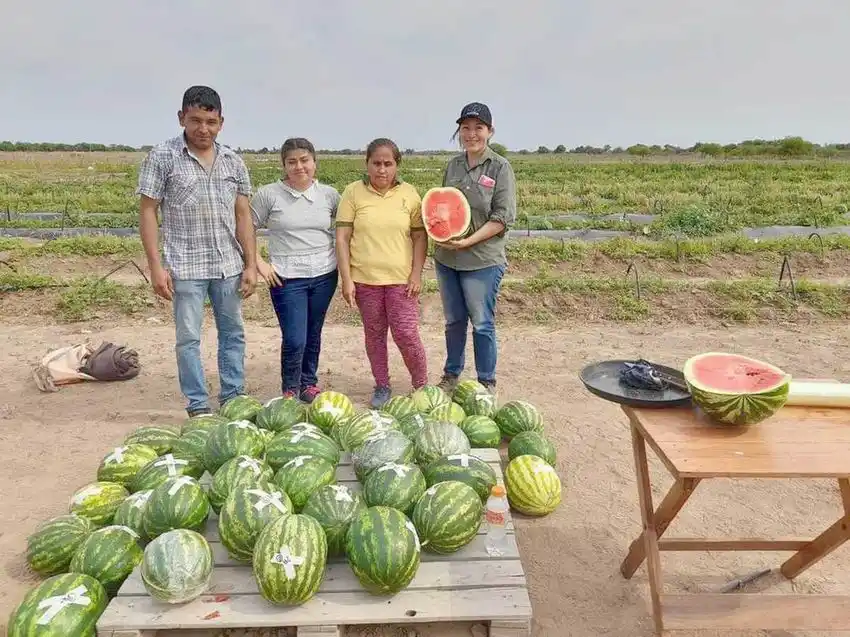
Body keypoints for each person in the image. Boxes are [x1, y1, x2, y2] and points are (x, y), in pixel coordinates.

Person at [136, 85, 257, 417]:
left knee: (233, 333)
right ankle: (198, 403)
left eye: (211, 122)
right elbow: (148, 212)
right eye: (195, 121)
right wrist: (155, 266)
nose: (203, 129)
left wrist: (250, 264)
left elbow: (243, 215)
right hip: (185, 266)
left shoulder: (233, 161)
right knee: (188, 338)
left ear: (221, 123)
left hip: (227, 265)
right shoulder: (163, 157)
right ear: (181, 118)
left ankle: (233, 396)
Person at [335, 138, 429, 408]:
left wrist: (416, 274)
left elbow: (419, 237)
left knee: (406, 334)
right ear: (367, 164)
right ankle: (382, 385)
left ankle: (421, 384)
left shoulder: (409, 194)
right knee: (374, 335)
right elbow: (342, 238)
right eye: (376, 163)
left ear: (397, 165)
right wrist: (346, 279)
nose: (382, 169)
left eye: (388, 163)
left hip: (401, 281)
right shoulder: (353, 192)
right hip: (366, 281)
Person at [432, 102, 517, 396]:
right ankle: (451, 375)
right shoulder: (453, 166)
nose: (471, 134)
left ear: (490, 131)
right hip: (447, 258)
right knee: (454, 321)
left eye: (478, 128)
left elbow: (502, 218)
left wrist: (468, 241)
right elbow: (443, 206)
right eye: (465, 128)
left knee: (482, 323)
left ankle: (486, 382)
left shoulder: (500, 167)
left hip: (482, 260)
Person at [251, 137, 340, 403]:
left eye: (304, 160)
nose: (299, 167)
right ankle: (290, 388)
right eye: (292, 162)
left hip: (324, 275)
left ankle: (308, 383)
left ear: (315, 162)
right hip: (286, 278)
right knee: (294, 338)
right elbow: (244, 229)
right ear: (284, 165)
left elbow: (347, 228)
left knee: (313, 332)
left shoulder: (329, 195)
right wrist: (259, 263)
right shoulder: (269, 194)